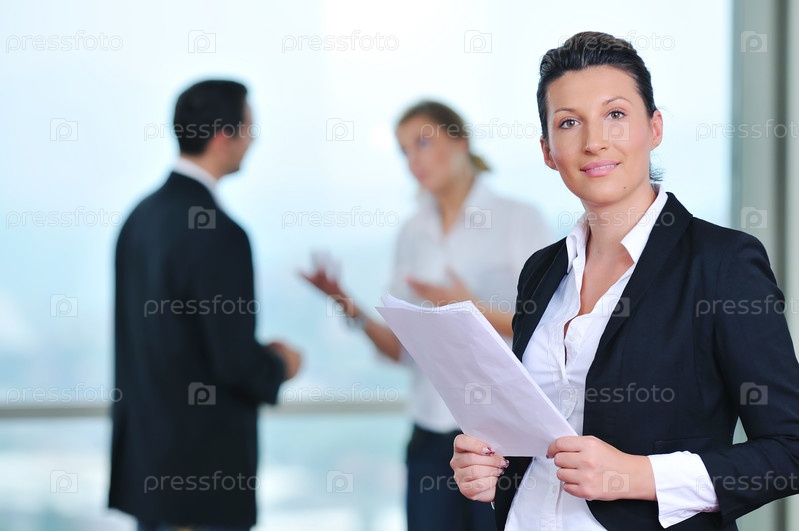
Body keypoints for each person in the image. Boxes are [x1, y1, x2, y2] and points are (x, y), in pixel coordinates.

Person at [450, 31, 799, 530]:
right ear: (548, 150)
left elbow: (790, 451)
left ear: (654, 128)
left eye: (615, 114)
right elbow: (536, 435)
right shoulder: (541, 271)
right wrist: (488, 469)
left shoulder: (722, 264)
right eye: (569, 122)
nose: (594, 141)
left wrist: (638, 476)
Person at [303, 100, 551, 531]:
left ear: (460, 141)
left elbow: (547, 326)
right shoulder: (411, 233)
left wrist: (469, 309)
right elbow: (400, 350)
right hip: (431, 434)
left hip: (501, 437)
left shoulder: (519, 219)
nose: (413, 160)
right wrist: (348, 305)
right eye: (404, 151)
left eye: (422, 143)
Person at [109, 79, 302, 531]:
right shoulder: (220, 233)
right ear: (222, 138)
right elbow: (233, 361)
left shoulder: (139, 219)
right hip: (202, 480)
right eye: (248, 128)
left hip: (149, 472)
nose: (253, 141)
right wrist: (281, 364)